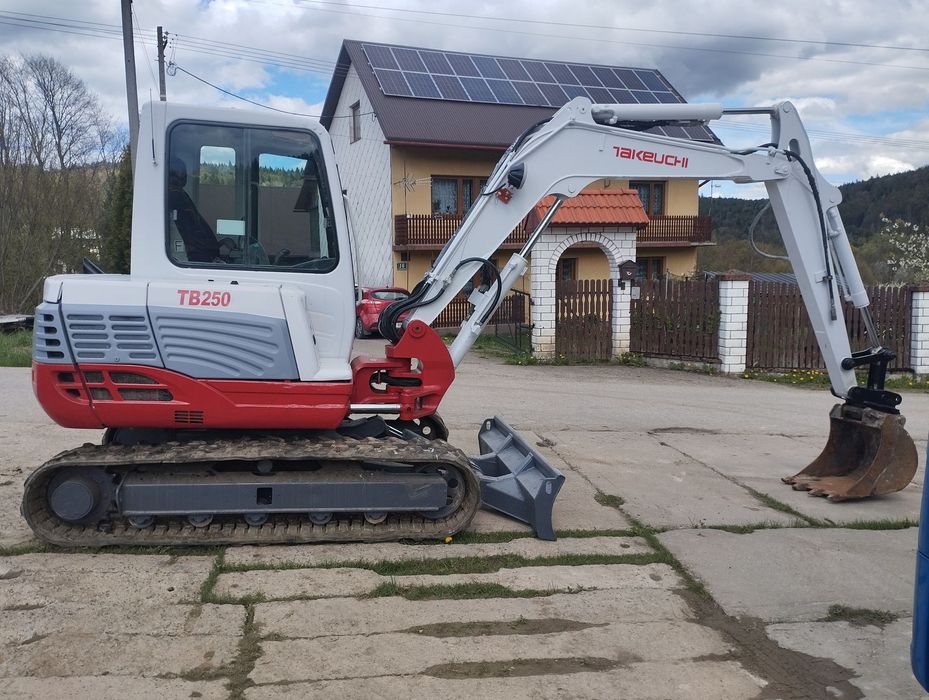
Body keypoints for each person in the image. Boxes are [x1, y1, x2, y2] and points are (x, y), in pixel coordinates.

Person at [167, 157, 220, 263]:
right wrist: (212, 248)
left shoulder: (179, 195)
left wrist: (215, 245)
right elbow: (191, 231)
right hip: (194, 256)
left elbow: (196, 225)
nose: (183, 176)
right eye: (181, 173)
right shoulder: (175, 196)